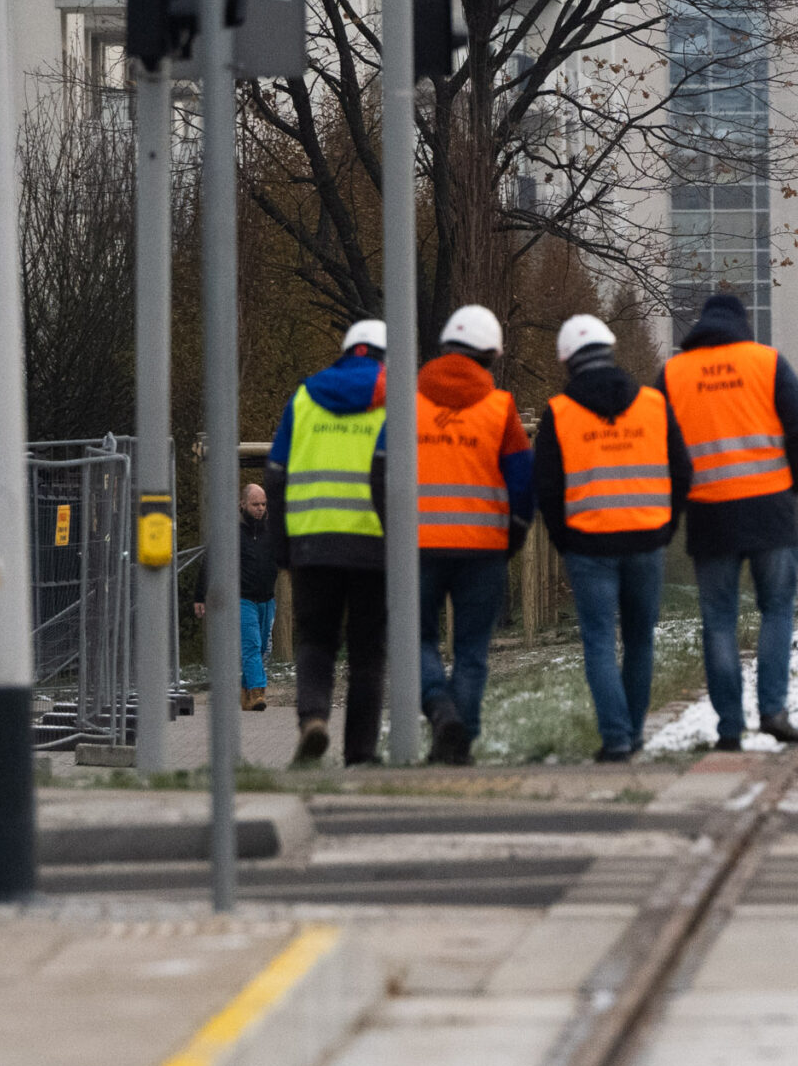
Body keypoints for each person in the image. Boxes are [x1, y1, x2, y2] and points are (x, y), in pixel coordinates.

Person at [658, 291, 798, 752]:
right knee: (777, 610)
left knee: (718, 621)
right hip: (770, 508)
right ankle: (773, 710)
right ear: (742, 323)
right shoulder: (764, 363)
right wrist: (795, 477)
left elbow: (657, 442)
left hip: (709, 514)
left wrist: (675, 501)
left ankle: (729, 727)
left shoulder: (673, 374)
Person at [534, 315, 689, 762]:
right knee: (640, 640)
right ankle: (633, 733)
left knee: (599, 641)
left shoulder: (560, 413)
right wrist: (664, 526)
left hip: (589, 545)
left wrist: (567, 541)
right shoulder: (654, 405)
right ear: (611, 351)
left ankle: (617, 738)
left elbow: (546, 488)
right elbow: (681, 471)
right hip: (646, 541)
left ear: (567, 360)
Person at [263, 321, 389, 765]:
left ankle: (313, 717)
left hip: (312, 543)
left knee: (316, 638)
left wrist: (282, 546)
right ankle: (360, 753)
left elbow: (275, 476)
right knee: (367, 652)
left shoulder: (304, 397)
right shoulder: (392, 399)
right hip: (374, 546)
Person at [415, 304, 533, 764]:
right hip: (482, 549)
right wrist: (515, 535)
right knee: (471, 649)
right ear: (489, 355)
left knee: (417, 639)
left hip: (419, 545)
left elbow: (381, 471)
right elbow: (522, 481)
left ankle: (441, 712)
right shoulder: (501, 409)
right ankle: (460, 740)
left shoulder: (408, 401)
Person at [194, 481, 281, 711]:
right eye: (255, 504)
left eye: (263, 504)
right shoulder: (230, 533)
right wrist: (200, 596)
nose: (260, 508)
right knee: (251, 646)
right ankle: (258, 692)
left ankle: (245, 694)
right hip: (242, 600)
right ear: (242, 504)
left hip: (267, 599)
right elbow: (209, 563)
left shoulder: (272, 532)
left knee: (262, 648)